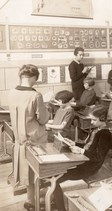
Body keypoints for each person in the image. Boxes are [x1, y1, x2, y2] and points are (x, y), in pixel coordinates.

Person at [52, 106, 112, 211]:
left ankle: (60, 208)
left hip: (89, 167)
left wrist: (81, 151)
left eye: (94, 120)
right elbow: (88, 145)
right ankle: (56, 201)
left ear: (103, 119)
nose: (92, 122)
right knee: (55, 174)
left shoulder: (105, 134)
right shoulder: (96, 129)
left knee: (55, 178)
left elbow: (98, 156)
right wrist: (74, 143)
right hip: (83, 160)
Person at [9, 64, 50, 211]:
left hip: (20, 141)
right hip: (35, 141)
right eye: (36, 79)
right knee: (36, 173)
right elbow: (43, 119)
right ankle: (38, 201)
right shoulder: (35, 95)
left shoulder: (12, 92)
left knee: (27, 172)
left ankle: (30, 200)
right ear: (33, 77)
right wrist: (47, 110)